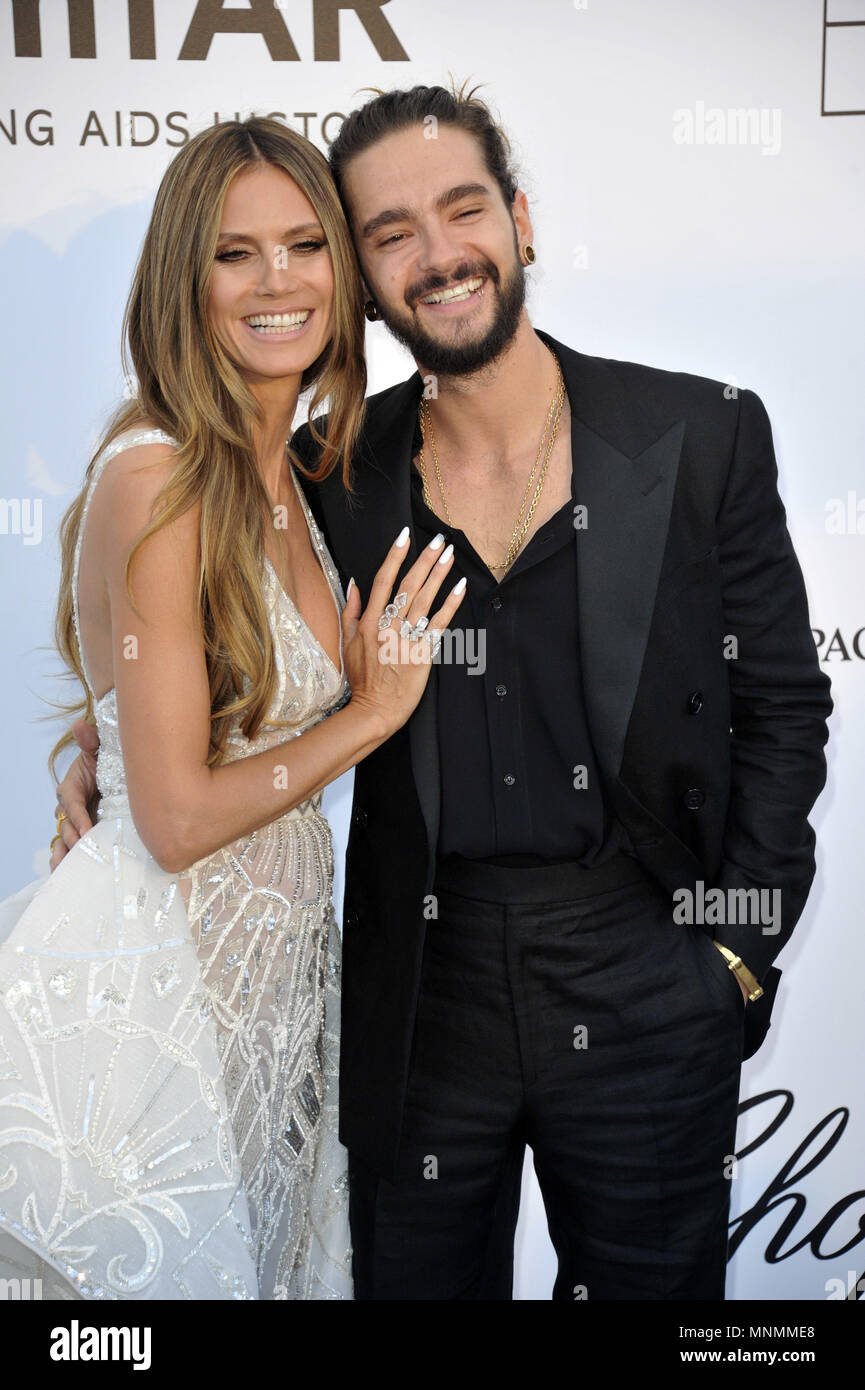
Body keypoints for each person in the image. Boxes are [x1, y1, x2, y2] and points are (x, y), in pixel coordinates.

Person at [52, 83, 833, 1301]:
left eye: (462, 210)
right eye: (387, 233)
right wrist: (99, 752)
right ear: (365, 278)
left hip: (645, 964)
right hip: (415, 984)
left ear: (520, 221)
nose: (437, 255)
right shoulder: (326, 473)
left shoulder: (698, 432)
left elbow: (783, 706)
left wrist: (734, 953)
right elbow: (201, 644)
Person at [0, 115, 465, 1301]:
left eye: (307, 245)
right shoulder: (155, 473)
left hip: (266, 1013)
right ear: (182, 279)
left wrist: (93, 746)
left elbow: (164, 699)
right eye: (233, 252)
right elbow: (173, 821)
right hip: (152, 1006)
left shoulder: (302, 477)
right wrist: (366, 716)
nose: (277, 282)